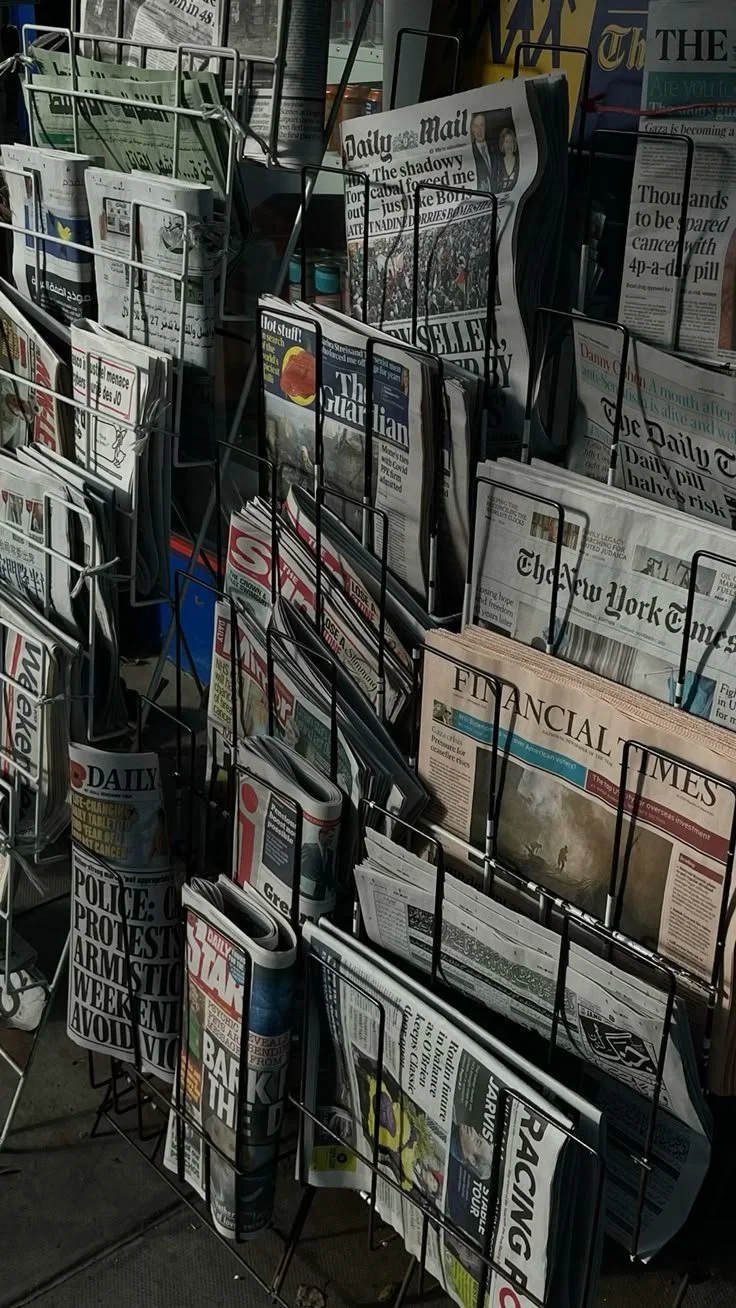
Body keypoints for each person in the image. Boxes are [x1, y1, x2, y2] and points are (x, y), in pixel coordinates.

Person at [471, 113, 494, 192]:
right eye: (476, 126)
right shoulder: (471, 152)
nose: (479, 130)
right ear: (472, 129)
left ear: (486, 127)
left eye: (482, 125)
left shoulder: (494, 148)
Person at [495, 126, 519, 191]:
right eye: (506, 141)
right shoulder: (498, 163)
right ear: (502, 144)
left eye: (511, 141)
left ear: (514, 143)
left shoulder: (520, 161)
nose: (509, 145)